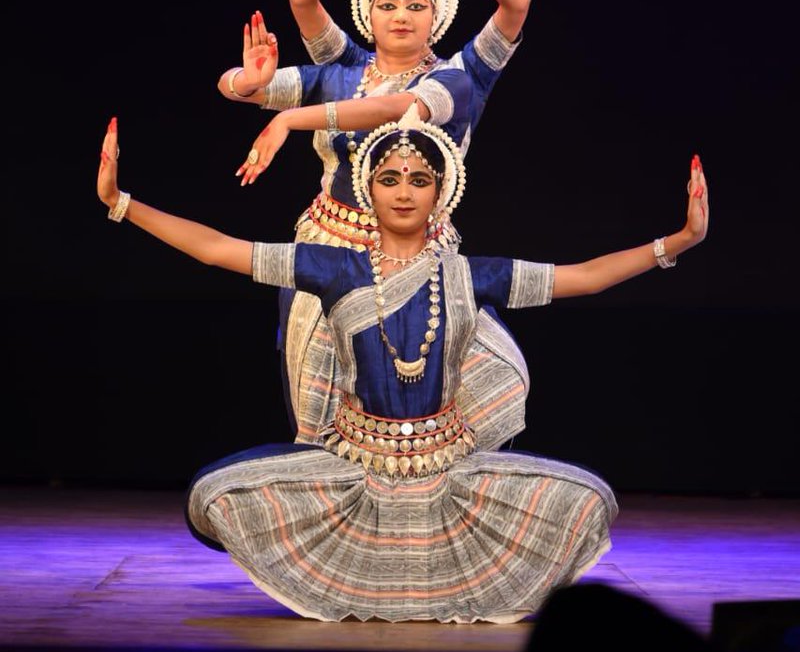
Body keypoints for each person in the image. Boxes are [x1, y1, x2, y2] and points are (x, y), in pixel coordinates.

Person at [97, 113, 709, 624]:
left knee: (586, 502)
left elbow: (584, 277)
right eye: (390, 177)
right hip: (356, 462)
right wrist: (122, 204)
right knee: (220, 493)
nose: (404, 190)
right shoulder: (331, 268)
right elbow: (218, 249)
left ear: (440, 191)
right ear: (369, 190)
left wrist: (676, 241)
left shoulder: (470, 275)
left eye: (420, 178)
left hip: (449, 464)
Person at [216, 0, 533, 447]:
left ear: (437, 14)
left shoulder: (460, 77)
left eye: (417, 4)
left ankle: (431, 516)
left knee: (439, 397)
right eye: (388, 4)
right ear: (367, 13)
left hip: (420, 256)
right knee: (321, 404)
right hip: (328, 248)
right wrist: (250, 83)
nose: (402, 15)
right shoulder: (339, 68)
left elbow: (515, 5)